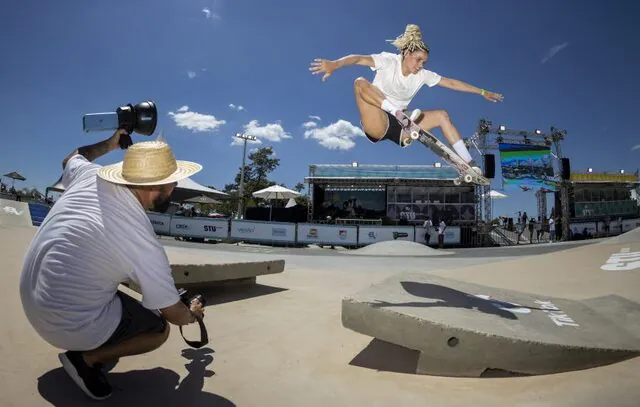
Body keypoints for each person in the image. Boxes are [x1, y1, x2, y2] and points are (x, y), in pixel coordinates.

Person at [19, 129, 205, 401]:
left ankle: (90, 340)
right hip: (62, 323)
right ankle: (86, 359)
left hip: (31, 297)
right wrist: (192, 314)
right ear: (160, 187)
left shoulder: (88, 175)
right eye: (174, 182)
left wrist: (109, 143)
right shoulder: (142, 240)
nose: (176, 187)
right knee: (157, 328)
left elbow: (73, 157)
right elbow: (173, 315)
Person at [309, 23, 504, 175]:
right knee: (360, 82)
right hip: (377, 121)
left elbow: (451, 83)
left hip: (402, 128)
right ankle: (399, 115)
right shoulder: (388, 61)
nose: (420, 65)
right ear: (405, 53)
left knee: (442, 115)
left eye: (424, 62)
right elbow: (358, 59)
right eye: (417, 59)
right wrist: (335, 64)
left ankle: (468, 163)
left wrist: (482, 92)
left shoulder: (423, 75)